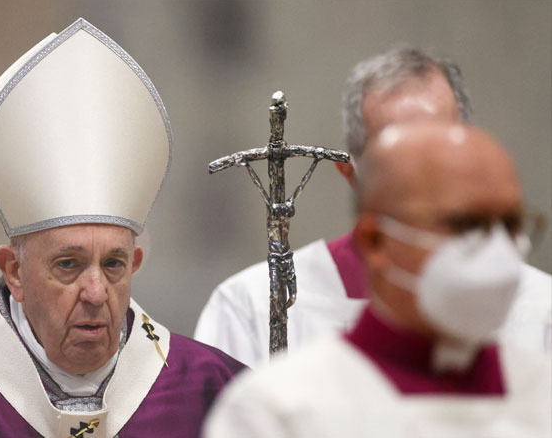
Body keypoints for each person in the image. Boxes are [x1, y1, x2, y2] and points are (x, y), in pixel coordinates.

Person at [0, 18, 244, 438]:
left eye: (113, 264)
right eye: (68, 264)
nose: (95, 293)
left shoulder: (210, 386)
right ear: (14, 271)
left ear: (136, 263)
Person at [194, 47, 551, 367]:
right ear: (349, 171)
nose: (424, 175)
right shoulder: (252, 304)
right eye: (397, 156)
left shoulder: (540, 310)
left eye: (440, 147)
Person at [204, 121, 552, 437]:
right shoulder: (277, 410)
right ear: (374, 240)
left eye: (509, 224)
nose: (498, 251)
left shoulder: (542, 390)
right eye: (463, 225)